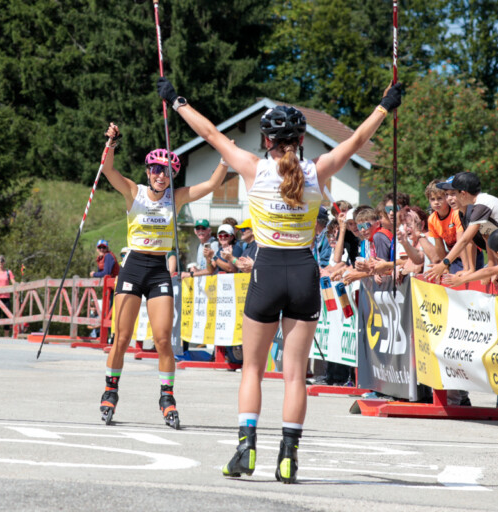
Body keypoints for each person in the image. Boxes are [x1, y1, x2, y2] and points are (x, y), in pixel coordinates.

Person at [158, 74, 402, 482]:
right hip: (304, 271)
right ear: (303, 138)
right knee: (294, 374)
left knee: (252, 369)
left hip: (267, 269)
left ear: (267, 141)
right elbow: (357, 140)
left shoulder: (253, 168)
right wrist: (384, 105)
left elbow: (212, 134)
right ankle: (288, 457)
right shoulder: (318, 170)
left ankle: (246, 451)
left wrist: (178, 102)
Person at [98, 121, 229, 429]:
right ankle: (110, 390)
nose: (160, 175)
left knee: (162, 339)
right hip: (133, 266)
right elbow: (107, 171)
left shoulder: (177, 196)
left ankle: (166, 396)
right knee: (123, 337)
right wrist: (111, 144)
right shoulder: (135, 192)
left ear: (172, 175)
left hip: (158, 270)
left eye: (165, 171)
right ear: (148, 172)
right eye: (155, 169)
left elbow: (211, 185)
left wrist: (225, 156)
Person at [428, 172, 498, 283]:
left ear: (463, 193)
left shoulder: (477, 208)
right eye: (446, 194)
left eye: (454, 193)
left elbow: (481, 237)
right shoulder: (462, 213)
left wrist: (444, 263)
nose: (449, 198)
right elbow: (471, 242)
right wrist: (470, 269)